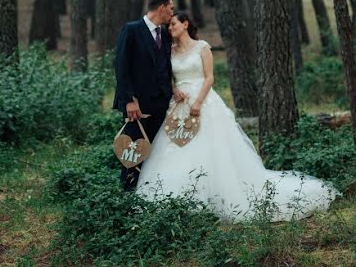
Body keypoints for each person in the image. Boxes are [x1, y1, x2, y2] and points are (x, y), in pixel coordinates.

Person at [136, 12, 340, 222]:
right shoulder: (169, 51)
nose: (170, 28)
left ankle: (218, 196)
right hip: (179, 105)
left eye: (173, 24)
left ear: (185, 24)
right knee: (176, 148)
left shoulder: (202, 47)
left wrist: (197, 102)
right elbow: (166, 76)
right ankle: (180, 200)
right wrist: (174, 88)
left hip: (203, 101)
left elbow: (209, 77)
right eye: (168, 26)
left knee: (211, 148)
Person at [112, 0, 183, 191]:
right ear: (161, 8)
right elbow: (121, 66)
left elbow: (166, 66)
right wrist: (128, 100)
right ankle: (127, 197)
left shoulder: (165, 34)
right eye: (170, 9)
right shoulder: (132, 30)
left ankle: (151, 195)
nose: (172, 13)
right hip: (137, 106)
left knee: (158, 152)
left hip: (162, 104)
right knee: (133, 152)